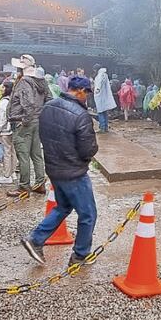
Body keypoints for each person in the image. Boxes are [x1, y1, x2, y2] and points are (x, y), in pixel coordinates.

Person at [20, 76, 99, 266]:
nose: (86, 97)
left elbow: (44, 135)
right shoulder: (81, 115)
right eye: (86, 93)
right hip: (74, 173)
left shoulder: (49, 107)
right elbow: (88, 149)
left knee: (63, 207)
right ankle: (80, 255)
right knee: (88, 214)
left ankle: (36, 239)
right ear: (79, 90)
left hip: (54, 169)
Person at [7, 54, 52, 197]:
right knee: (36, 154)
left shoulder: (24, 82)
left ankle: (23, 187)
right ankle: (39, 184)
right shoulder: (42, 81)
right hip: (36, 122)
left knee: (23, 155)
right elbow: (49, 99)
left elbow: (29, 104)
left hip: (24, 123)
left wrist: (24, 120)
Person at [0, 81, 17, 185]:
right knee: (13, 152)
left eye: (3, 87)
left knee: (7, 153)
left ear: (6, 89)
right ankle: (13, 173)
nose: (1, 88)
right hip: (13, 129)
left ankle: (7, 175)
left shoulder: (4, 102)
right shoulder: (13, 100)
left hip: (5, 131)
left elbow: (2, 117)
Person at [93, 67, 116, 132]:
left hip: (100, 96)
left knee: (100, 112)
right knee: (105, 112)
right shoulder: (105, 75)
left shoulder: (99, 75)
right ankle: (106, 127)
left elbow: (98, 84)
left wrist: (97, 89)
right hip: (104, 96)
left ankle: (102, 127)